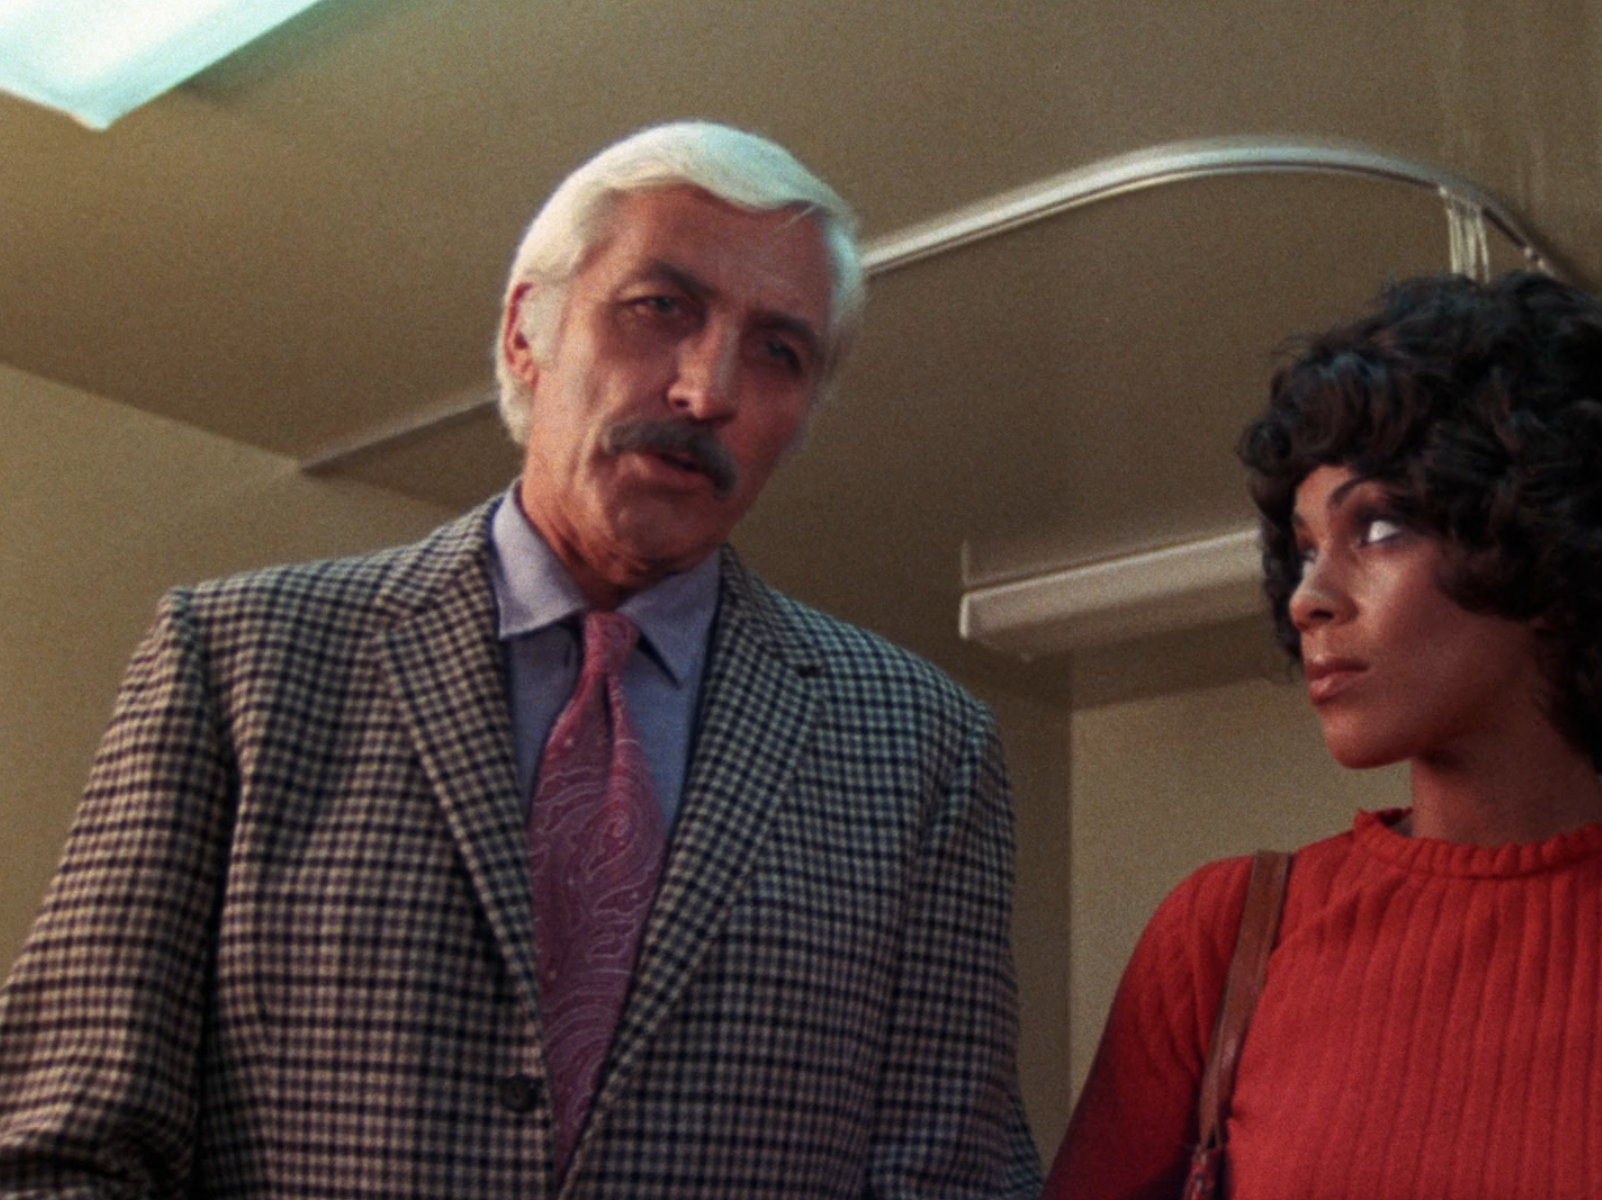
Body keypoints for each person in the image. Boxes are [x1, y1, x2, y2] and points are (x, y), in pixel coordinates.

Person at [0, 122, 1042, 1199]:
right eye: (659, 308)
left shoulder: (920, 744)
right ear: (524, 333)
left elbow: (949, 1178)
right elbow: (63, 1152)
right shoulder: (239, 662)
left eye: (779, 351)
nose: (707, 390)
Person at [1042, 272, 1602, 1199]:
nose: (1308, 597)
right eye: (1305, 548)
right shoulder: (1220, 935)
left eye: (1377, 528)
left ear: (1554, 542)